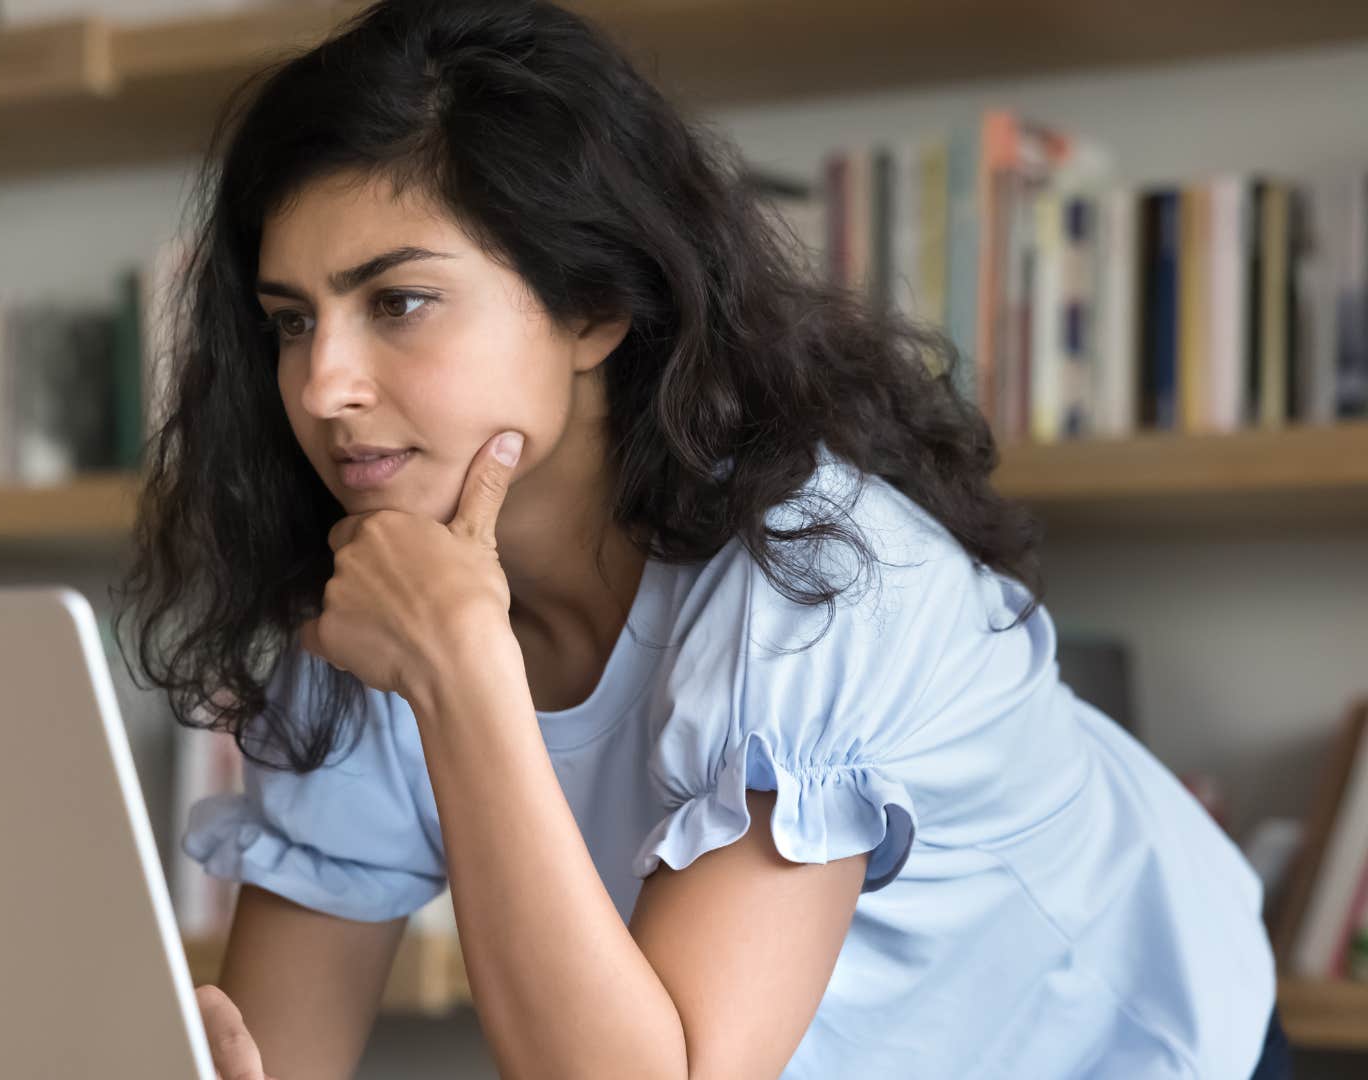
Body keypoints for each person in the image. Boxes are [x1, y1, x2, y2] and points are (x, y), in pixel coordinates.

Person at [114, 2, 1281, 1077]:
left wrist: (461, 670)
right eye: (289, 322)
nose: (322, 386)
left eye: (397, 303)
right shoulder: (380, 599)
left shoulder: (820, 578)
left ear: (594, 306)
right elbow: (276, 1051)